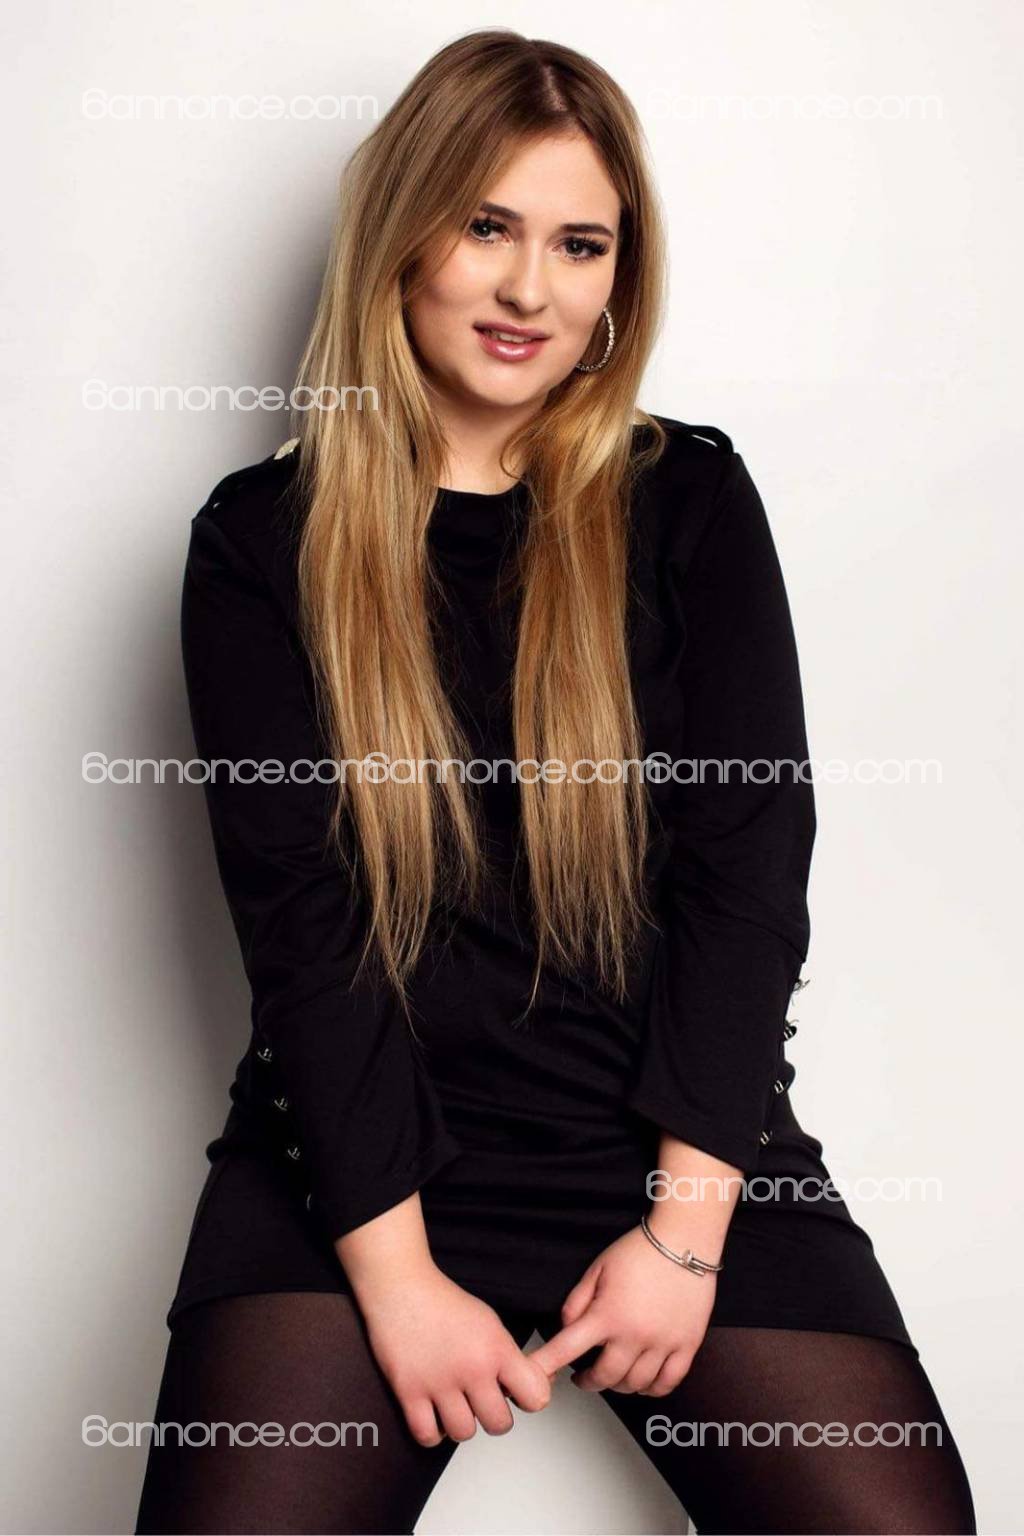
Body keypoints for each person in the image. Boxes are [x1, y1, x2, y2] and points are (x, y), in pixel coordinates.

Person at [136, 29, 976, 1536]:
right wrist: (395, 1278)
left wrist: (686, 1239)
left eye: (579, 244)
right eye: (487, 227)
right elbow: (304, 934)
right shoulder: (258, 543)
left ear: (616, 278)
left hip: (671, 1140)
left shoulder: (687, 499)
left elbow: (747, 881)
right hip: (359, 1152)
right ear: (403, 237)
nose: (531, 288)